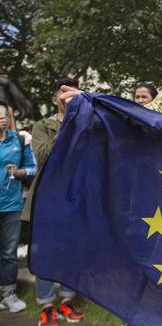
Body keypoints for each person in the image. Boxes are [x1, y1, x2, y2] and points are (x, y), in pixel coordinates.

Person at [22, 78, 86, 326]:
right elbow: (42, 155)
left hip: (76, 196)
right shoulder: (42, 126)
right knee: (45, 251)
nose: (68, 97)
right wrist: (68, 124)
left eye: (72, 93)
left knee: (72, 249)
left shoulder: (86, 126)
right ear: (54, 99)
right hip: (47, 197)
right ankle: (47, 306)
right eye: (63, 93)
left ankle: (67, 301)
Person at [0, 100, 36, 314]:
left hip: (11, 205)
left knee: (8, 253)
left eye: (4, 114)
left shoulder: (19, 140)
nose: (2, 118)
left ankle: (8, 295)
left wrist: (20, 173)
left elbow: (32, 169)